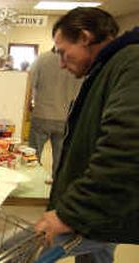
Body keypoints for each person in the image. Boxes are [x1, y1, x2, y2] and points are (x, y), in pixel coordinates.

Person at [35, 7, 139, 262]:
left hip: (96, 212)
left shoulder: (131, 62)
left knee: (17, 247)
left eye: (62, 52)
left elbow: (124, 151)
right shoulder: (107, 67)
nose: (61, 63)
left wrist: (68, 213)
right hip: (94, 210)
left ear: (84, 37)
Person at [28, 49, 82, 179]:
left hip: (42, 114)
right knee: (60, 157)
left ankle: (34, 184)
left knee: (32, 156)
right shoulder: (77, 61)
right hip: (66, 117)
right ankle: (56, 185)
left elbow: (29, 85)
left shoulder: (42, 59)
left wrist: (28, 106)